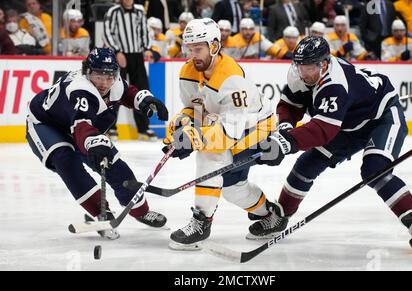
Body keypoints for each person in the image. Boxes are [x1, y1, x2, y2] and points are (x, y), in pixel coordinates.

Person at [252, 36, 412, 254]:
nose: (302, 73)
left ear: (323, 64)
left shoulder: (335, 84)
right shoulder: (301, 74)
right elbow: (290, 104)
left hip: (381, 117)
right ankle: (280, 216)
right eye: (299, 65)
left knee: (375, 170)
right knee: (307, 164)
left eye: (308, 67)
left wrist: (288, 141)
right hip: (346, 123)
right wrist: (285, 128)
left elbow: (323, 129)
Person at [26, 47, 169, 239]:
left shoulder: (114, 81)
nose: (104, 83)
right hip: (47, 125)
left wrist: (144, 100)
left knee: (115, 165)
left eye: (109, 76)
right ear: (87, 72)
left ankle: (140, 211)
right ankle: (101, 213)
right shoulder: (80, 90)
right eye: (98, 76)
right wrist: (93, 143)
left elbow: (127, 93)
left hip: (79, 127)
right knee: (66, 161)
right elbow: (81, 125)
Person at [164, 18, 277, 250]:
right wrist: (182, 126)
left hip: (256, 127)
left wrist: (196, 139)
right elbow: (195, 110)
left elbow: (231, 131)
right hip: (229, 125)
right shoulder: (189, 71)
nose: (193, 54)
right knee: (233, 189)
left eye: (198, 49)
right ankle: (270, 216)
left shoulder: (232, 78)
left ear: (214, 46)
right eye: (190, 49)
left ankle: (201, 222)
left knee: (211, 155)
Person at [104, 0, 158, 141]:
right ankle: (110, 127)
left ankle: (143, 128)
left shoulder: (140, 11)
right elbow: (108, 33)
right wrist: (117, 51)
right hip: (119, 55)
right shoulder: (113, 11)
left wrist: (146, 48)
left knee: (142, 90)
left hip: (136, 55)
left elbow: (144, 31)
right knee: (115, 89)